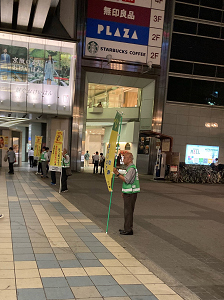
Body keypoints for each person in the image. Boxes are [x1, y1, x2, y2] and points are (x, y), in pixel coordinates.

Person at [113, 152, 140, 235]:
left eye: (125, 158)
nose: (123, 159)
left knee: (128, 211)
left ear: (129, 159)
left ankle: (128, 230)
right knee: (127, 211)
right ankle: (127, 228)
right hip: (129, 192)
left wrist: (117, 173)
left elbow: (127, 180)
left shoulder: (131, 168)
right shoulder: (129, 168)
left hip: (131, 193)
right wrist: (123, 191)